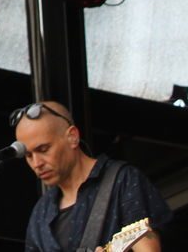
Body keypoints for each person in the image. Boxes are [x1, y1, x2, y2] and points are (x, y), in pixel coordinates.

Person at [14, 101, 172, 252]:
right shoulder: (41, 211)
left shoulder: (123, 180)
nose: (36, 163)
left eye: (43, 149)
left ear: (73, 137)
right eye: (28, 155)